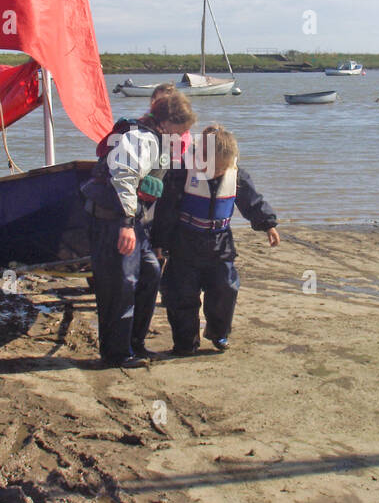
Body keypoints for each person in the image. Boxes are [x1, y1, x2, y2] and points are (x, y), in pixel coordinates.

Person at [81, 90, 196, 369]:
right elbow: (124, 177)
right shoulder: (141, 138)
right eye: (181, 129)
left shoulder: (157, 137)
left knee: (149, 274)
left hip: (135, 222)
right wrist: (126, 224)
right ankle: (116, 353)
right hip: (115, 220)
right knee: (120, 286)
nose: (182, 135)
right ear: (167, 123)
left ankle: (135, 343)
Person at [153, 124, 279, 356]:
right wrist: (160, 243)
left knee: (225, 289)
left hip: (220, 245)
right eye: (215, 169)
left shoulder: (236, 174)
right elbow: (165, 210)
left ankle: (219, 332)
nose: (218, 173)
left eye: (223, 169)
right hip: (185, 245)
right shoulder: (181, 173)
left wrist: (268, 224)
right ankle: (185, 343)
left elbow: (252, 202)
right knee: (181, 295)